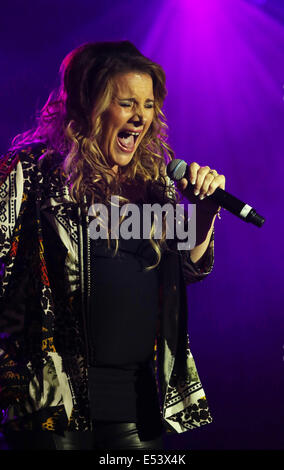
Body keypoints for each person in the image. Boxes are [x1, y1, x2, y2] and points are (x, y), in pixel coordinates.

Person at [0, 40, 225, 450]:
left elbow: (187, 271)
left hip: (136, 404)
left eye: (149, 105)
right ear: (89, 105)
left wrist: (206, 212)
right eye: (126, 103)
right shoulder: (33, 172)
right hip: (53, 407)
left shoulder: (155, 183)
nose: (140, 117)